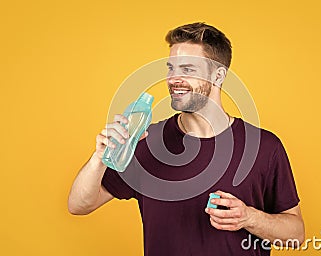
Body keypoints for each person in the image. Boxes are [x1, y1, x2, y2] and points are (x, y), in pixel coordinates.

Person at [68, 22, 305, 256]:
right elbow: (79, 205)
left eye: (188, 70)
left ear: (218, 75)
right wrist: (99, 158)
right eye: (171, 68)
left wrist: (249, 218)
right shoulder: (147, 142)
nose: (173, 79)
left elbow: (296, 235)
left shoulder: (264, 147)